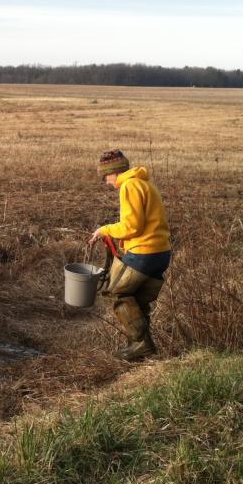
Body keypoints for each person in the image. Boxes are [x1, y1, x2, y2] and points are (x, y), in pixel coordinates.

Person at [88, 149, 172, 361]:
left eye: (105, 177)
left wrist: (105, 230)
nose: (106, 182)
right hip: (161, 252)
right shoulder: (145, 184)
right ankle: (140, 350)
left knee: (117, 293)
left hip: (144, 252)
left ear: (114, 173)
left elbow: (132, 226)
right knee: (138, 301)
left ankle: (141, 345)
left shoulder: (129, 186)